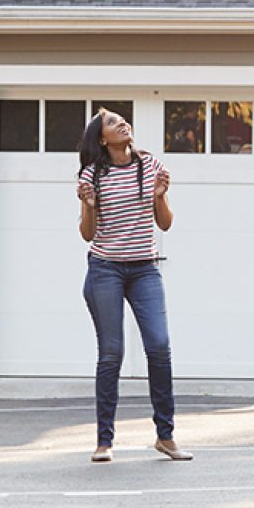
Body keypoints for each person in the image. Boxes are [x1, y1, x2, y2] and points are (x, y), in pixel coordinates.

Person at [77, 110, 192, 463]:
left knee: (159, 346)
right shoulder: (92, 174)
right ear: (101, 139)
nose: (122, 124)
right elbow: (88, 234)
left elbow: (166, 224)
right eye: (112, 123)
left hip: (145, 269)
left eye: (123, 120)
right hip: (105, 270)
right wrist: (89, 204)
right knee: (112, 353)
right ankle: (104, 441)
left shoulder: (150, 164)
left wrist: (159, 195)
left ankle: (166, 436)